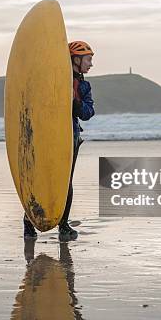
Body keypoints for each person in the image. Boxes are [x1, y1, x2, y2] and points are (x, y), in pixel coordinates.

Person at [24, 41, 95, 241]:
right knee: (40, 179)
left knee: (66, 183)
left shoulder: (83, 85)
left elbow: (89, 113)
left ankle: (63, 225)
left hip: (70, 138)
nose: (91, 64)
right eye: (88, 59)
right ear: (76, 59)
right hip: (47, 137)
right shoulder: (53, 80)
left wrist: (75, 102)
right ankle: (29, 224)